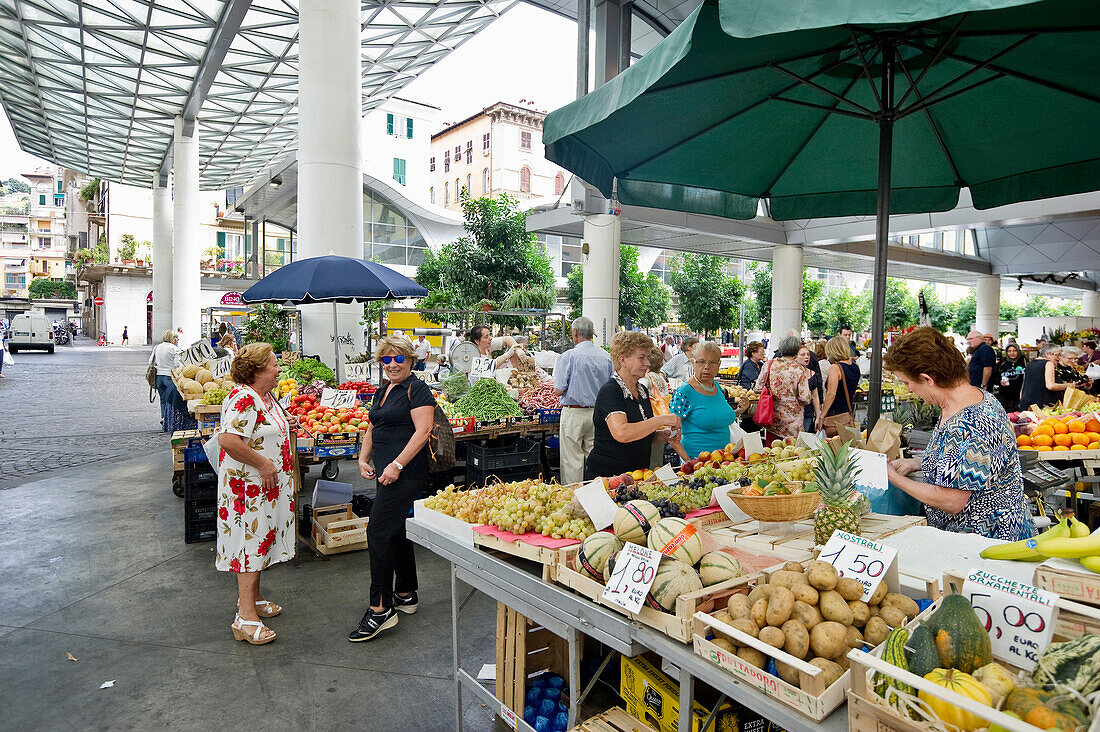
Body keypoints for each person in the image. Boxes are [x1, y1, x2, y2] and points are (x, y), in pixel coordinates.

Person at [884, 327, 1035, 542]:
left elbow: (953, 501)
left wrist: (894, 478)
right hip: (969, 540)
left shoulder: (973, 423)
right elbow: (964, 462)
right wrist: (916, 463)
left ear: (928, 379)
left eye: (907, 382)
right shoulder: (970, 400)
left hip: (988, 544)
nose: (908, 390)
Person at [349, 336, 436, 642]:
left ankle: (380, 608)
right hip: (386, 470)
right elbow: (374, 425)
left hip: (406, 472)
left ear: (412, 360)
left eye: (399, 359)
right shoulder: (383, 390)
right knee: (395, 530)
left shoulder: (417, 388)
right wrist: (363, 457)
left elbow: (424, 431)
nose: (393, 365)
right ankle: (406, 593)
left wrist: (397, 465)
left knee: (377, 532)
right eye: (386, 359)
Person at [215, 342, 296, 645]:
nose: (279, 369)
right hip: (248, 490)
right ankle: (245, 617)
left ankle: (254, 598)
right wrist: (263, 463)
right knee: (250, 544)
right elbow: (228, 440)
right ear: (259, 370)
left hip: (265, 489)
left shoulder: (265, 396)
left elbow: (262, 429)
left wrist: (283, 424)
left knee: (261, 541)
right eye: (274, 364)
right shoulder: (243, 398)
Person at [586, 332, 681, 480]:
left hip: (636, 476)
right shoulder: (611, 391)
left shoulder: (641, 390)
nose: (647, 363)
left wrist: (664, 435)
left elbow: (640, 433)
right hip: (609, 478)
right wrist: (661, 420)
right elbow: (622, 433)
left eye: (647, 357)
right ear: (622, 360)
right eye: (641, 357)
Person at [552, 317, 614, 485]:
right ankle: (597, 493)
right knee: (595, 457)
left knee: (572, 461)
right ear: (592, 333)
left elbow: (558, 390)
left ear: (575, 333)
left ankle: (574, 497)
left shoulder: (567, 357)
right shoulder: (606, 357)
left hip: (574, 413)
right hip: (599, 414)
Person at [669, 341, 736, 460]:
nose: (706, 367)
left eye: (712, 362)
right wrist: (689, 463)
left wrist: (740, 410)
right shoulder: (684, 392)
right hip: (698, 463)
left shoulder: (716, 386)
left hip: (725, 460)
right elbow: (671, 435)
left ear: (719, 364)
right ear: (693, 363)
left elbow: (717, 416)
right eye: (701, 362)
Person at [755, 334, 811, 441]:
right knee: (791, 454)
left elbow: (758, 388)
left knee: (772, 452)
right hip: (793, 424)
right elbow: (805, 398)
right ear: (796, 350)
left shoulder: (769, 364)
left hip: (772, 420)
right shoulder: (799, 370)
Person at [817, 336, 860, 436]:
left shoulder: (835, 368)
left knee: (832, 446)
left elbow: (831, 394)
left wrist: (822, 415)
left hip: (834, 414)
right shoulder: (855, 367)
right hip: (847, 414)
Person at [149, 330, 183, 431]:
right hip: (169, 376)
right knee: (172, 400)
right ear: (172, 339)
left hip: (159, 376)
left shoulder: (157, 347)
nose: (177, 340)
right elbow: (178, 364)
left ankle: (164, 418)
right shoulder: (175, 349)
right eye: (176, 338)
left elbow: (151, 361)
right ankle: (170, 421)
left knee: (163, 399)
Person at [797, 346, 822, 434]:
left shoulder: (813, 374)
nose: (806, 357)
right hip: (793, 414)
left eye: (808, 354)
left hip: (808, 414)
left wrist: (818, 416)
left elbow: (815, 397)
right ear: (795, 357)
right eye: (802, 355)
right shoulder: (791, 374)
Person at [996, 344, 1028, 412]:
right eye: (1009, 351)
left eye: (1014, 351)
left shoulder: (1024, 362)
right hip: (1005, 397)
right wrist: (1000, 381)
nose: (1012, 353)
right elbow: (994, 376)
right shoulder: (1002, 363)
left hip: (1020, 395)